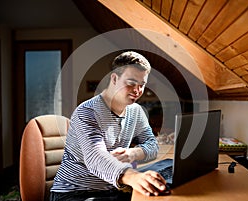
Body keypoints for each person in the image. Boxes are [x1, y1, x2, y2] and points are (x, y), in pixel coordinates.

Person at [50, 51, 168, 201]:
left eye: (142, 85)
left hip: (112, 189)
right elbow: (96, 158)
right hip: (74, 193)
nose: (137, 91)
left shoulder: (136, 111)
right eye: (131, 83)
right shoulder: (87, 112)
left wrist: (133, 153)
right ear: (114, 78)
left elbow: (152, 144)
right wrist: (132, 177)